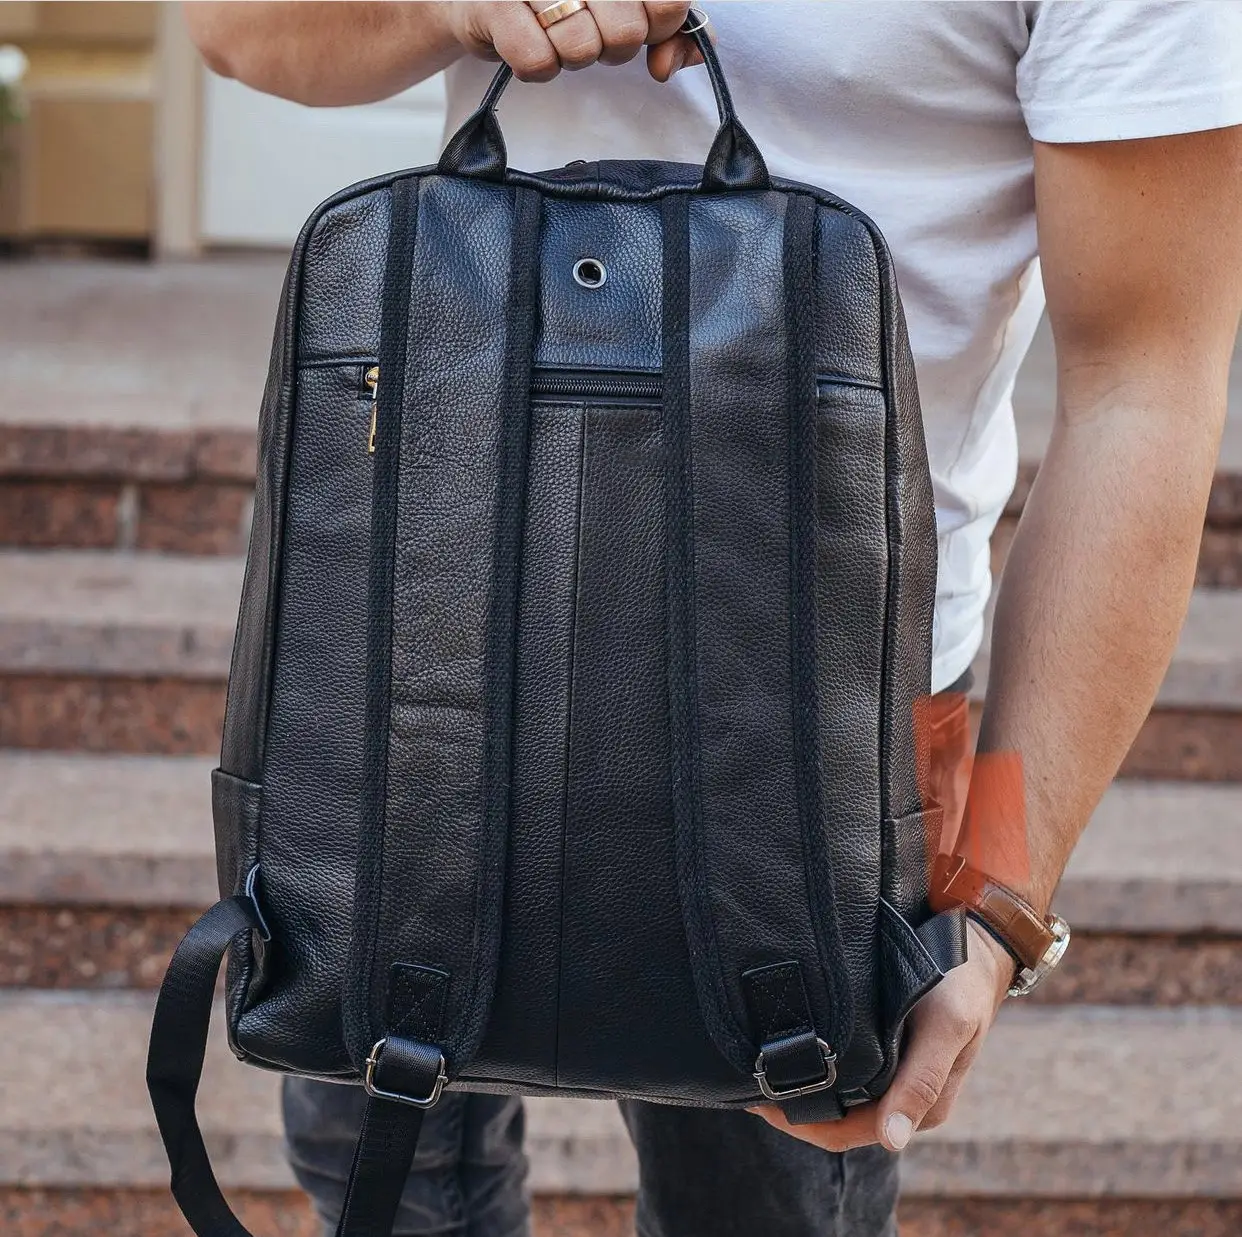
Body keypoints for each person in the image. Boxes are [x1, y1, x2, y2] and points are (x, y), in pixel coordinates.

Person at [184, 3, 1242, 1235]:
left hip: (841, 722)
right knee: (384, 1181)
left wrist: (1003, 895)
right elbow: (235, 28)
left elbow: (1144, 384)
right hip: (413, 638)